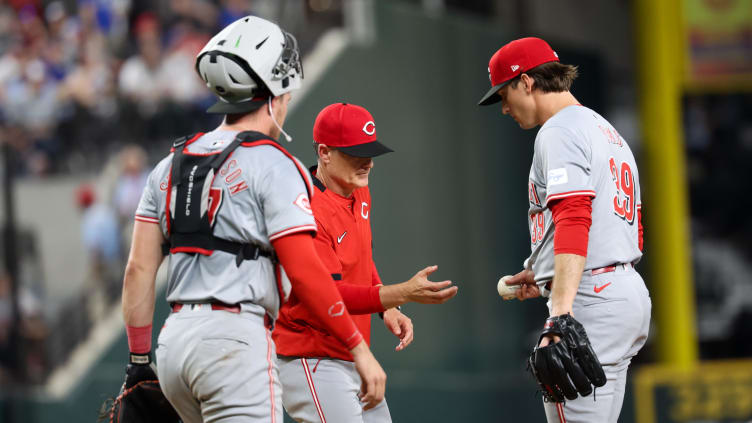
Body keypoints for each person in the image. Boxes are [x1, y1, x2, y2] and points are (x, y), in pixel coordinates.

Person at [120, 16, 386, 423]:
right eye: (287, 91)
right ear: (274, 94)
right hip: (235, 340)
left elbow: (138, 268)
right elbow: (306, 273)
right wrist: (358, 348)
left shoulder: (169, 163)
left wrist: (139, 360)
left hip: (173, 345)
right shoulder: (278, 165)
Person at [477, 37, 651, 423]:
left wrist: (560, 312)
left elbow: (574, 217)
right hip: (623, 293)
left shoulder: (558, 131)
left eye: (504, 94)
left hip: (592, 300)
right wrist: (544, 273)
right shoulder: (605, 130)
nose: (504, 108)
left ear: (526, 82)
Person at [274, 102, 459, 423]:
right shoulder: (307, 209)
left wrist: (383, 304)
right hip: (311, 355)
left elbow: (360, 256)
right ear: (325, 152)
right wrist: (400, 293)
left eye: (370, 153)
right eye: (356, 154)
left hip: (350, 354)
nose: (368, 164)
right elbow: (331, 294)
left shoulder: (357, 190)